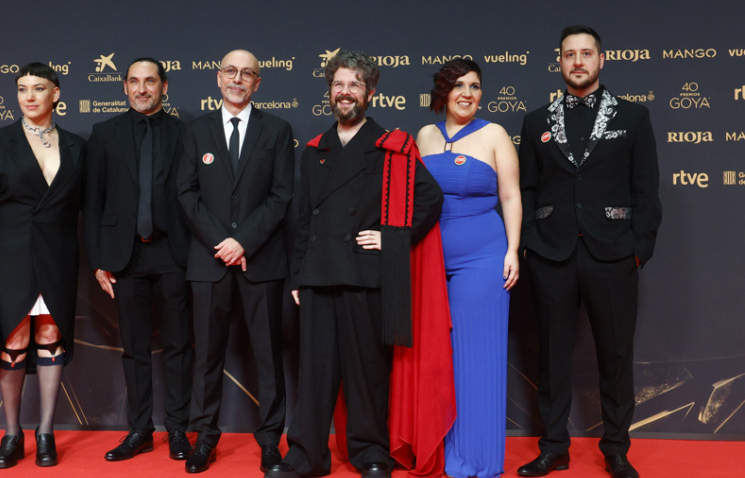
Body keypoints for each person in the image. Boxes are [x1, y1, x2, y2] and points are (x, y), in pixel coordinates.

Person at [265, 50, 444, 478]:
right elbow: (303, 218)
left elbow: (430, 198)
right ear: (330, 92)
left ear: (371, 93)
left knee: (367, 370)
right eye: (338, 85)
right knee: (315, 373)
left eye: (354, 85)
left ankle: (371, 454)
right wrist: (298, 275)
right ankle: (305, 456)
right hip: (319, 274)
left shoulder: (392, 147)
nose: (345, 92)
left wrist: (391, 237)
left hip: (366, 274)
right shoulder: (314, 150)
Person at [517, 25, 661, 478]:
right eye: (568, 55)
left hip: (613, 254)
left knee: (615, 357)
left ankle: (616, 448)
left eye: (585, 54)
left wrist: (638, 249)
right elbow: (526, 188)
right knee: (552, 358)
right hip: (552, 255)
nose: (577, 61)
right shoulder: (537, 120)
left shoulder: (633, 118)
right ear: (559, 62)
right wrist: (530, 247)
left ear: (601, 60)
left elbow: (647, 191)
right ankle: (553, 446)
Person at [177, 49, 293, 474]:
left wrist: (242, 242)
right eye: (230, 71)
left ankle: (269, 442)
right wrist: (220, 242)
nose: (238, 79)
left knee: (267, 356)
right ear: (218, 77)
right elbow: (186, 194)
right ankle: (204, 437)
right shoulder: (195, 131)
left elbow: (282, 195)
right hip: (209, 263)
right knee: (206, 355)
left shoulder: (278, 130)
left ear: (258, 82)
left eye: (247, 73)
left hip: (260, 261)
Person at [0, 62, 86, 468]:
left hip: (58, 257)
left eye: (38, 88)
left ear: (56, 94)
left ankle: (47, 430)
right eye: (22, 89)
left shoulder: (76, 147)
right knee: (14, 341)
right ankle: (12, 434)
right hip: (9, 258)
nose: (29, 96)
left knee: (52, 335)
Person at [83, 58, 193, 462]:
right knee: (134, 348)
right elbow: (92, 202)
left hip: (174, 253)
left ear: (164, 86)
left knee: (180, 345)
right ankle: (140, 430)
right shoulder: (104, 133)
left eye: (150, 81)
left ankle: (179, 430)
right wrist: (97, 259)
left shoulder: (186, 133)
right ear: (124, 87)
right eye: (134, 81)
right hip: (124, 255)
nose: (142, 88)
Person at [416, 58, 521, 478]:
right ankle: (435, 449)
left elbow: (511, 196)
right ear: (443, 92)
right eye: (458, 85)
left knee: (474, 357)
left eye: (475, 86)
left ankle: (475, 459)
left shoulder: (494, 134)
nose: (467, 93)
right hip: (428, 258)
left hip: (483, 257)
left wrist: (512, 250)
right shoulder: (424, 135)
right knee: (432, 358)